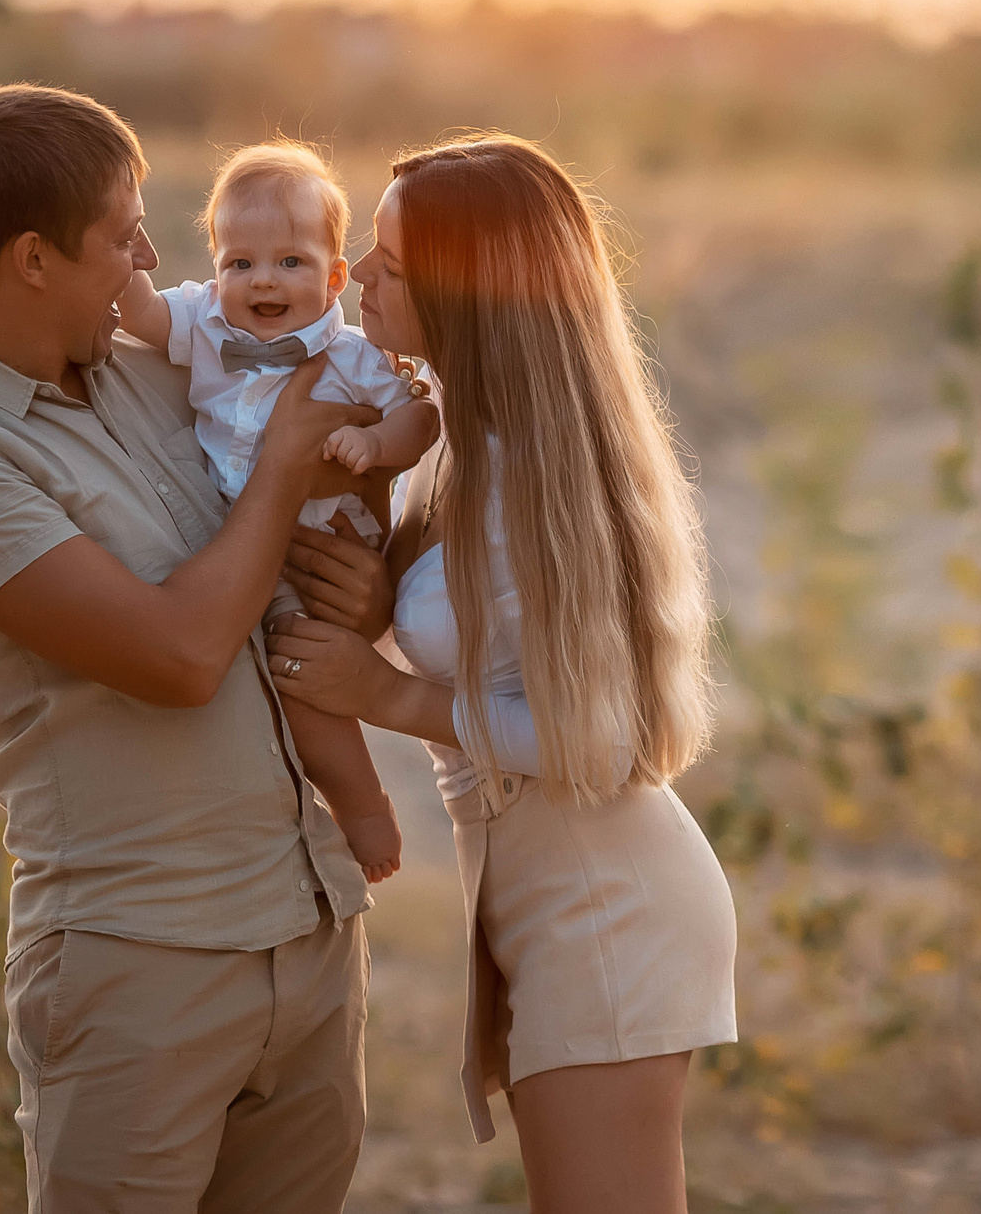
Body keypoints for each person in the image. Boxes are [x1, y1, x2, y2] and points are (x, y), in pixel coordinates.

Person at [0, 84, 378, 1214]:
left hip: (307, 932)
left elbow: (283, 549)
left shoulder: (153, 366)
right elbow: (181, 655)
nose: (153, 256)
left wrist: (362, 578)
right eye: (122, 234)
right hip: (139, 970)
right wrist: (289, 464)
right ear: (35, 259)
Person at [263, 131, 738, 1214]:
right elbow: (494, 650)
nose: (360, 279)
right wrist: (382, 613)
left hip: (603, 900)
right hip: (541, 884)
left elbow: (609, 745)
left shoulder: (537, 477)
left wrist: (386, 697)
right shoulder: (458, 442)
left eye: (391, 261)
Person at [116, 138, 444, 883]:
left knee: (302, 678)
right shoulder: (203, 322)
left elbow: (421, 421)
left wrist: (373, 441)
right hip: (238, 538)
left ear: (333, 278)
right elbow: (141, 316)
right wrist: (127, 266)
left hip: (320, 536)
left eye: (290, 262)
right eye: (241, 262)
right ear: (215, 269)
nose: (263, 280)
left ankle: (362, 806)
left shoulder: (356, 356)